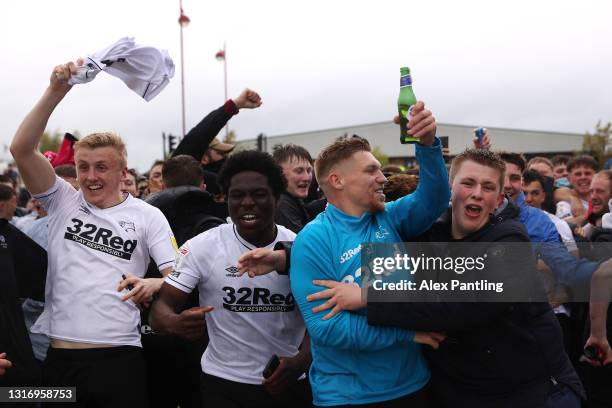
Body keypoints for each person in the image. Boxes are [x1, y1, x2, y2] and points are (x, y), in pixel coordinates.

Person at [306, 149, 585, 408]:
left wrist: (368, 297)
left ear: (499, 199)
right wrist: (286, 256)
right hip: (459, 392)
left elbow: (463, 304)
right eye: (468, 183)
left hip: (535, 394)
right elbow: (360, 245)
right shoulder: (427, 234)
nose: (477, 193)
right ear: (450, 190)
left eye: (488, 187)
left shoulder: (510, 238)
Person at [9, 60, 177, 407]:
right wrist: (57, 90)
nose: (90, 176)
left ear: (122, 171)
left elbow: (179, 275)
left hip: (120, 360)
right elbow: (21, 149)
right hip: (58, 360)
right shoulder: (62, 200)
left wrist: (154, 283)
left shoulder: (148, 215)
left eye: (102, 167)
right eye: (83, 167)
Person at [288, 101, 449, 407]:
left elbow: (436, 198)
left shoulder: (389, 216)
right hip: (349, 396)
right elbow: (328, 328)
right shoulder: (314, 239)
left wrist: (427, 144)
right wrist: (408, 335)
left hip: (414, 384)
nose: (384, 178)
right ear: (338, 181)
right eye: (371, 170)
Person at [151, 150, 312, 408]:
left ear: (277, 197)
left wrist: (303, 360)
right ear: (225, 198)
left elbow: (324, 316)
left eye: (259, 194)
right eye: (237, 195)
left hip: (290, 383)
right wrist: (175, 322)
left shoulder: (301, 245)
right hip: (223, 386)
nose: (247, 203)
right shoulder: (203, 246)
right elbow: (160, 309)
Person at [271, 144, 314, 233]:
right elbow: (302, 243)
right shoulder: (282, 204)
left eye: (309, 171)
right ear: (279, 174)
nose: (306, 178)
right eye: (299, 171)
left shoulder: (293, 200)